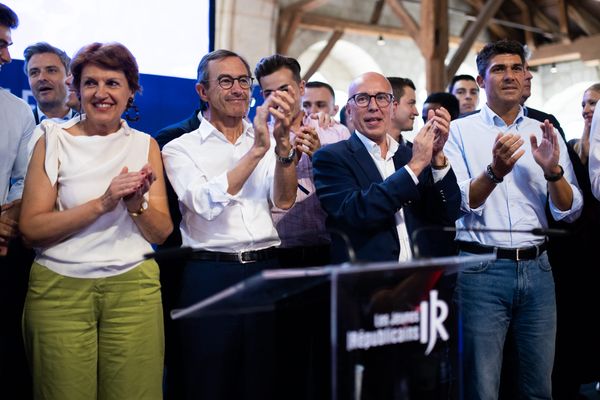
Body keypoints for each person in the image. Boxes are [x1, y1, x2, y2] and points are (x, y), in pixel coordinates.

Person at [20, 42, 172, 400]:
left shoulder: (145, 144)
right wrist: (103, 203)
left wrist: (137, 205)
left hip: (134, 291)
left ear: (131, 91)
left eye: (113, 83)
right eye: (91, 83)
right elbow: (32, 229)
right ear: (77, 89)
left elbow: (162, 233)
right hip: (59, 294)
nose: (101, 93)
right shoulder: (51, 138)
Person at [444, 39, 583, 399]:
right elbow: (461, 202)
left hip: (538, 269)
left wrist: (553, 172)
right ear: (480, 80)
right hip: (480, 269)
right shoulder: (459, 133)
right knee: (481, 387)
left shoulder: (545, 130)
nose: (510, 76)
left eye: (517, 68)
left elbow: (569, 210)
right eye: (499, 69)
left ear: (526, 77)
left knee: (539, 388)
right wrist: (494, 171)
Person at [161, 49, 297, 400]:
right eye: (226, 81)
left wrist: (283, 149)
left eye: (243, 81)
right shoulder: (178, 147)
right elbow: (204, 204)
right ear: (202, 92)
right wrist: (257, 150)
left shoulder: (264, 139)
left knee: (265, 381)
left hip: (267, 270)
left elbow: (283, 200)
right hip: (211, 275)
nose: (238, 89)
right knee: (209, 381)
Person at [313, 71, 459, 263]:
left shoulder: (409, 155)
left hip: (418, 278)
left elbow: (447, 214)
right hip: (369, 282)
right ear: (349, 110)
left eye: (382, 98)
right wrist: (415, 166)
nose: (373, 107)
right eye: (362, 99)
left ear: (392, 108)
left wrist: (437, 157)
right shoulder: (330, 157)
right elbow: (357, 212)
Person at [255, 54, 350, 268]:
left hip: (331, 248)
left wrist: (321, 156)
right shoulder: (256, 139)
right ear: (261, 95)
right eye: (269, 93)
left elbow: (351, 187)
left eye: (284, 90)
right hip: (278, 251)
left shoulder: (334, 131)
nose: (277, 99)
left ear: (300, 88)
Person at [0, 3, 36, 398]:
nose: (7, 57)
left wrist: (9, 216)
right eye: (0, 44)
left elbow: (22, 179)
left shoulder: (17, 112)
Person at [23, 42, 77, 123]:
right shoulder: (20, 126)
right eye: (34, 72)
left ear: (69, 75)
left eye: (51, 70)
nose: (42, 78)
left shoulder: (88, 124)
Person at [570, 83, 600, 164]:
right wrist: (582, 154)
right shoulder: (572, 146)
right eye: (583, 105)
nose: (585, 111)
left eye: (593, 103)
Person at [387, 76, 418, 144]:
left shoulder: (414, 150)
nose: (416, 113)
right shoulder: (365, 150)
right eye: (411, 103)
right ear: (392, 106)